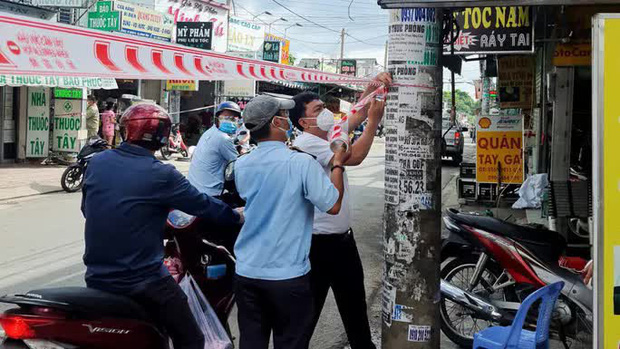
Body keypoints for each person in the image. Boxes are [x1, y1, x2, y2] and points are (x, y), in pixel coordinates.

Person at [81, 103, 243, 349]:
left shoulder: (98, 162)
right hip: (143, 281)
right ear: (163, 137)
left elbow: (87, 209)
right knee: (192, 337)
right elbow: (202, 205)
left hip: (96, 277)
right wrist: (236, 216)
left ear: (126, 130)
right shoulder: (162, 174)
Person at [233, 94, 350, 349]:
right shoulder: (300, 163)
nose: (288, 121)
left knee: (252, 341)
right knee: (291, 342)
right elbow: (333, 205)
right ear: (276, 123)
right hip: (287, 276)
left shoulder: (243, 164)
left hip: (247, 271)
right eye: (284, 117)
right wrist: (338, 164)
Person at [290, 72, 391, 349]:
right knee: (307, 318)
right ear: (303, 122)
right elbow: (354, 157)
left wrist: (370, 91)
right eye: (318, 110)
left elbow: (350, 119)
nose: (326, 113)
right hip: (319, 244)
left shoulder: (327, 136)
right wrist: (374, 122)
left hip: (340, 240)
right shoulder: (310, 144)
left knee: (354, 310)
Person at [188, 101, 241, 197]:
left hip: (195, 190)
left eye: (233, 118)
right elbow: (238, 165)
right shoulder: (223, 138)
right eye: (226, 117)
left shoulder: (209, 132)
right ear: (217, 119)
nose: (230, 120)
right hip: (211, 194)